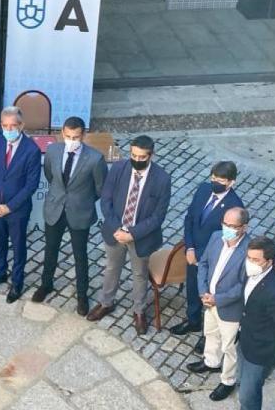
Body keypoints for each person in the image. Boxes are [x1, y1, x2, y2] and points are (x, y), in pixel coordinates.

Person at [87, 135, 172, 335]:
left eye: (142, 157)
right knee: (111, 268)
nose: (137, 159)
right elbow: (106, 200)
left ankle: (139, 311)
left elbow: (157, 216)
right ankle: (106, 302)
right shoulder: (118, 169)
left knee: (139, 274)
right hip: (115, 232)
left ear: (151, 155)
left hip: (140, 236)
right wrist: (118, 229)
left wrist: (132, 233)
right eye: (133, 155)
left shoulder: (162, 179)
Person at [33, 116, 107, 315]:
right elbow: (50, 175)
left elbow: (100, 189)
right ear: (62, 134)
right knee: (50, 250)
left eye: (75, 137)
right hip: (55, 208)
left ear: (83, 135)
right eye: (67, 136)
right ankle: (46, 284)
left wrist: (82, 201)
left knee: (80, 255)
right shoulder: (53, 150)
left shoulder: (95, 158)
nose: (71, 140)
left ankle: (82, 296)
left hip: (79, 212)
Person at [171, 161, 243, 339]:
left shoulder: (234, 206)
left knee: (210, 297)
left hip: (213, 258)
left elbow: (227, 238)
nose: (215, 183)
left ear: (231, 182)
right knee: (193, 287)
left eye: (220, 180)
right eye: (213, 178)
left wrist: (201, 255)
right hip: (193, 253)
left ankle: (208, 336)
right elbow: (190, 219)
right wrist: (190, 248)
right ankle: (193, 320)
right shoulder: (203, 190)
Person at [185, 207, 251, 402]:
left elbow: (243, 287)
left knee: (229, 347)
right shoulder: (216, 237)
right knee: (211, 333)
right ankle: (211, 361)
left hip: (229, 308)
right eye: (225, 224)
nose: (227, 228)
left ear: (244, 227)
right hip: (209, 301)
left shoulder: (249, 250)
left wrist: (217, 299)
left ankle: (228, 381)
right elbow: (203, 263)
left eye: (232, 226)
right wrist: (202, 291)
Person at [0, 106, 42, 302]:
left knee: (18, 246)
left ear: (21, 125)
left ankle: (17, 282)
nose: (8, 130)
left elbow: (31, 185)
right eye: (4, 126)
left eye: (12, 126)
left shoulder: (31, 149)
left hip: (17, 210)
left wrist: (10, 206)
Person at [238, 236, 275, 410]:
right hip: (245, 338)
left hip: (261, 351)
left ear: (269, 261)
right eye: (249, 257)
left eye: (255, 259)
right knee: (243, 382)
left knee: (248, 396)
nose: (250, 262)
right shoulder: (251, 272)